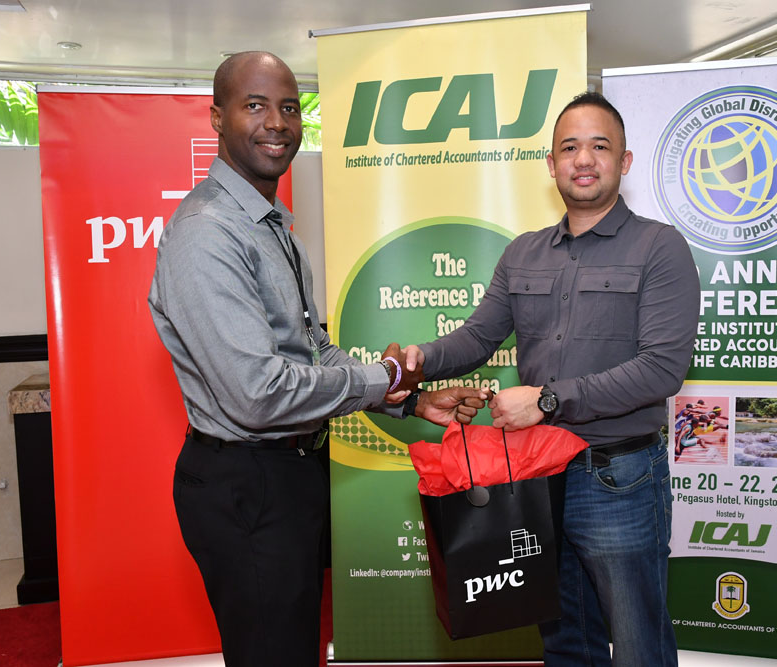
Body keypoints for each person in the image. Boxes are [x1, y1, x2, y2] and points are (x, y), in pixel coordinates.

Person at [148, 51, 486, 667]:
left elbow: (316, 350)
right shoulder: (207, 232)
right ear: (218, 117)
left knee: (292, 647)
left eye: (289, 107)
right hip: (246, 484)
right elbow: (257, 393)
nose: (277, 122)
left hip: (290, 473)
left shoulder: (274, 228)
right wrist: (384, 375)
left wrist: (407, 398)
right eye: (255, 105)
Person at [400, 92, 700, 666]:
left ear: (624, 161)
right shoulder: (523, 253)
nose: (583, 159)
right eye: (569, 147)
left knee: (637, 641)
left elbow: (662, 368)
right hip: (538, 479)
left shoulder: (660, 248)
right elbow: (478, 337)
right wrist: (423, 358)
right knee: (563, 636)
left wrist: (547, 400)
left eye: (599, 146)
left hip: (618, 477)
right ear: (551, 163)